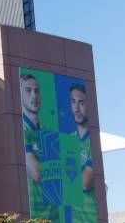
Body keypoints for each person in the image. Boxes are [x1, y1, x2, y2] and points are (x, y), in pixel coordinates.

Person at [21, 73, 59, 221]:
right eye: (28, 90)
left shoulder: (49, 131)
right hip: (33, 214)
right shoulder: (20, 129)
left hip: (55, 215)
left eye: (37, 91)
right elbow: (36, 172)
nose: (34, 96)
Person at [66, 83, 97, 222]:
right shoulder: (68, 140)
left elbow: (85, 182)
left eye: (81, 103)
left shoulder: (93, 140)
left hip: (91, 217)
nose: (76, 109)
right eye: (73, 102)